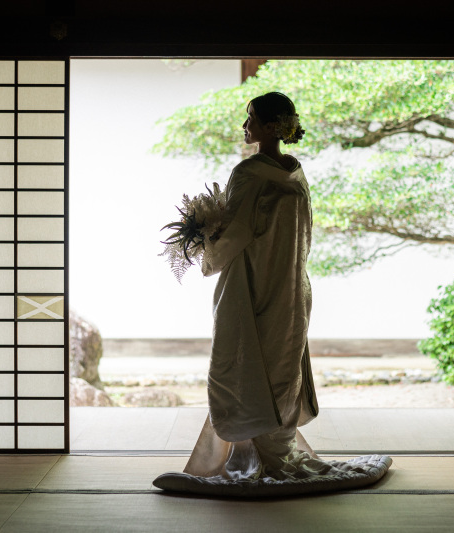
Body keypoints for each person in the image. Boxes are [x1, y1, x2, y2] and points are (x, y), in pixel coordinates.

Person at [153, 92, 391, 497]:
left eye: (250, 119)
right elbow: (305, 233)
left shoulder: (248, 172)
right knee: (281, 363)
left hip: (250, 284)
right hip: (291, 283)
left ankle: (258, 455)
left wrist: (207, 244)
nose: (245, 126)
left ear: (269, 126)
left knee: (248, 361)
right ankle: (271, 451)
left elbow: (238, 232)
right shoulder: (295, 173)